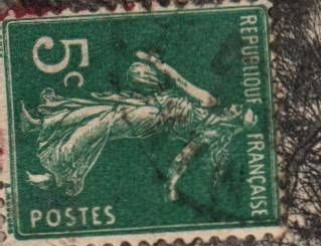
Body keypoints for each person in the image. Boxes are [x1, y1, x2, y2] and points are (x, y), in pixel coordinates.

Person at [21, 51, 253, 201]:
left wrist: (171, 185)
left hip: (155, 117)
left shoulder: (210, 135)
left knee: (105, 121)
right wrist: (156, 64)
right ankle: (43, 121)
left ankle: (62, 160)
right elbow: (181, 82)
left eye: (240, 112)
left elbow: (184, 158)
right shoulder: (210, 101)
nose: (236, 107)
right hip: (156, 97)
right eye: (240, 107)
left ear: (236, 123)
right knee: (100, 105)